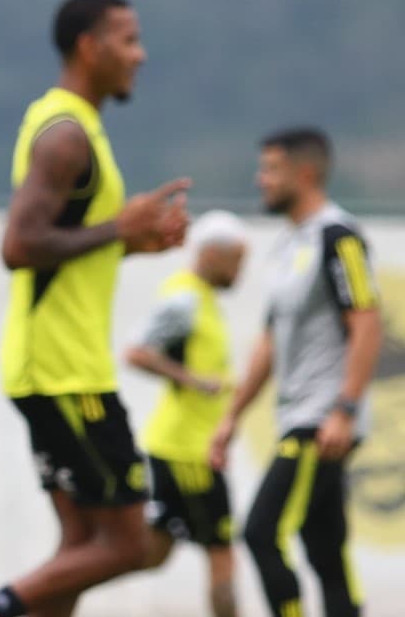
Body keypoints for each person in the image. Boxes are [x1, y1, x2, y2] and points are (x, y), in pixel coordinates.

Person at [0, 0, 191, 617]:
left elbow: (61, 247)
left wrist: (127, 244)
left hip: (52, 368)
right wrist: (117, 230)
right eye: (128, 40)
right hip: (66, 374)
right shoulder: (66, 136)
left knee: (80, 547)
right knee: (130, 544)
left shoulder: (68, 123)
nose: (140, 55)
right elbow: (20, 246)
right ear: (88, 47)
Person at [210, 128, 381, 617]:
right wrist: (233, 416)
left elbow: (367, 322)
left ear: (304, 173)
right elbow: (269, 342)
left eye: (271, 169)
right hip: (298, 416)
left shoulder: (338, 237)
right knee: (324, 544)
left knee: (261, 532)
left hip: (321, 421)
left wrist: (345, 409)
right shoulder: (289, 245)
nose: (260, 179)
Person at [125, 210, 249, 617]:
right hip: (188, 451)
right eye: (236, 261)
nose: (240, 272)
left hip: (187, 445)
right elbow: (137, 352)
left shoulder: (202, 297)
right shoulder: (185, 299)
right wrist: (194, 381)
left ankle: (58, 584)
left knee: (153, 553)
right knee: (221, 551)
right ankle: (58, 581)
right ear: (211, 255)